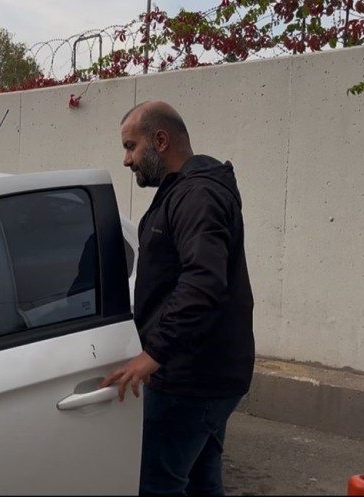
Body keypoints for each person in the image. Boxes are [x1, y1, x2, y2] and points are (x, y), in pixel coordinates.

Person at [102, 100, 255, 496]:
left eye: (131, 146)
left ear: (161, 140)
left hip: (190, 380)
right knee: (202, 481)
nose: (126, 160)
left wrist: (154, 354)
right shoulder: (184, 190)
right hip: (205, 373)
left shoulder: (197, 195)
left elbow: (203, 281)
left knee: (155, 484)